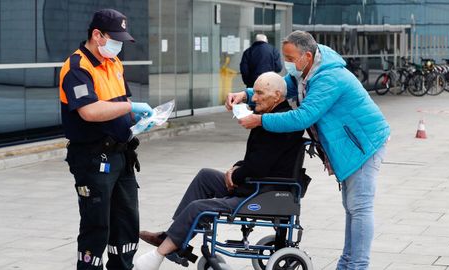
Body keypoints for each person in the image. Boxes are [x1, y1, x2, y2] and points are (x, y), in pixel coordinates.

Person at [226, 30, 390, 270]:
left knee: (360, 207)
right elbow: (283, 88)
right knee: (352, 208)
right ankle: (348, 264)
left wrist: (259, 120)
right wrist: (246, 94)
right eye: (285, 57)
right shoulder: (306, 72)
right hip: (351, 144)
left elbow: (303, 117)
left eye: (291, 58)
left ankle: (357, 265)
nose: (287, 63)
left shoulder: (329, 78)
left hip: (364, 144)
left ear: (308, 56)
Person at [134, 72, 304, 270]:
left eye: (259, 93)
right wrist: (237, 168)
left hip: (261, 190)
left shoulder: (277, 124)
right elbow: (259, 159)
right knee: (205, 176)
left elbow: (258, 167)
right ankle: (172, 237)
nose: (254, 97)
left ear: (276, 95)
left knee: (198, 207)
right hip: (258, 182)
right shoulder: (270, 117)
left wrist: (236, 174)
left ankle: (161, 252)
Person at [59, 9, 153, 270]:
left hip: (121, 155)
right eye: (115, 39)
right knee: (96, 225)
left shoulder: (114, 63)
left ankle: (123, 265)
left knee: (126, 223)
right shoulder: (77, 67)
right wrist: (130, 107)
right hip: (92, 157)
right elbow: (89, 111)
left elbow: (122, 103)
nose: (119, 45)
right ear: (96, 35)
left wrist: (139, 120)